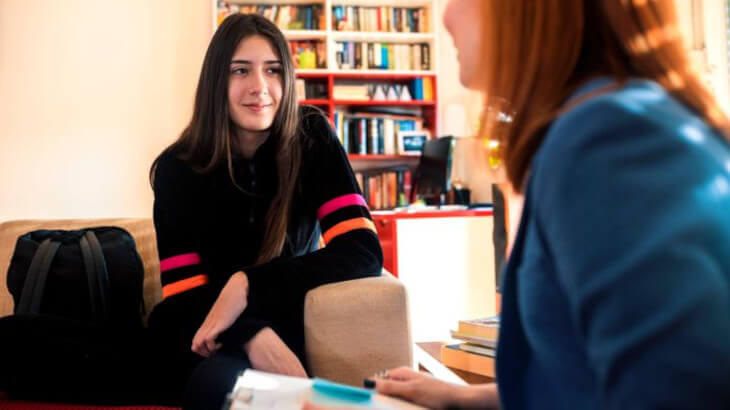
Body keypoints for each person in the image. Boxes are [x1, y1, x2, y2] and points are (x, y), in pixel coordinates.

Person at [370, 1, 730, 409]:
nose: (446, 16)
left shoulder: (608, 135)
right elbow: (583, 380)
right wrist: (467, 399)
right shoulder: (608, 119)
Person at [147, 13, 383, 409]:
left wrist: (247, 284)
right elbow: (182, 296)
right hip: (205, 331)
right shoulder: (177, 167)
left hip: (289, 326)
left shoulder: (312, 136)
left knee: (219, 388)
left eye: (273, 70)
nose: (260, 87)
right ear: (216, 83)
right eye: (241, 70)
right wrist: (251, 333)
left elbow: (362, 251)